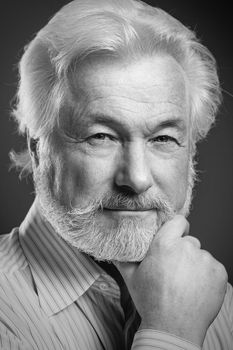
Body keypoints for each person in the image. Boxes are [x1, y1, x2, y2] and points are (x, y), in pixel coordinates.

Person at [0, 0, 232, 349]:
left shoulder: (222, 304)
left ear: (192, 150)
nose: (136, 179)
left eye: (163, 138)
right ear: (38, 149)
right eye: (101, 137)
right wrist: (171, 335)